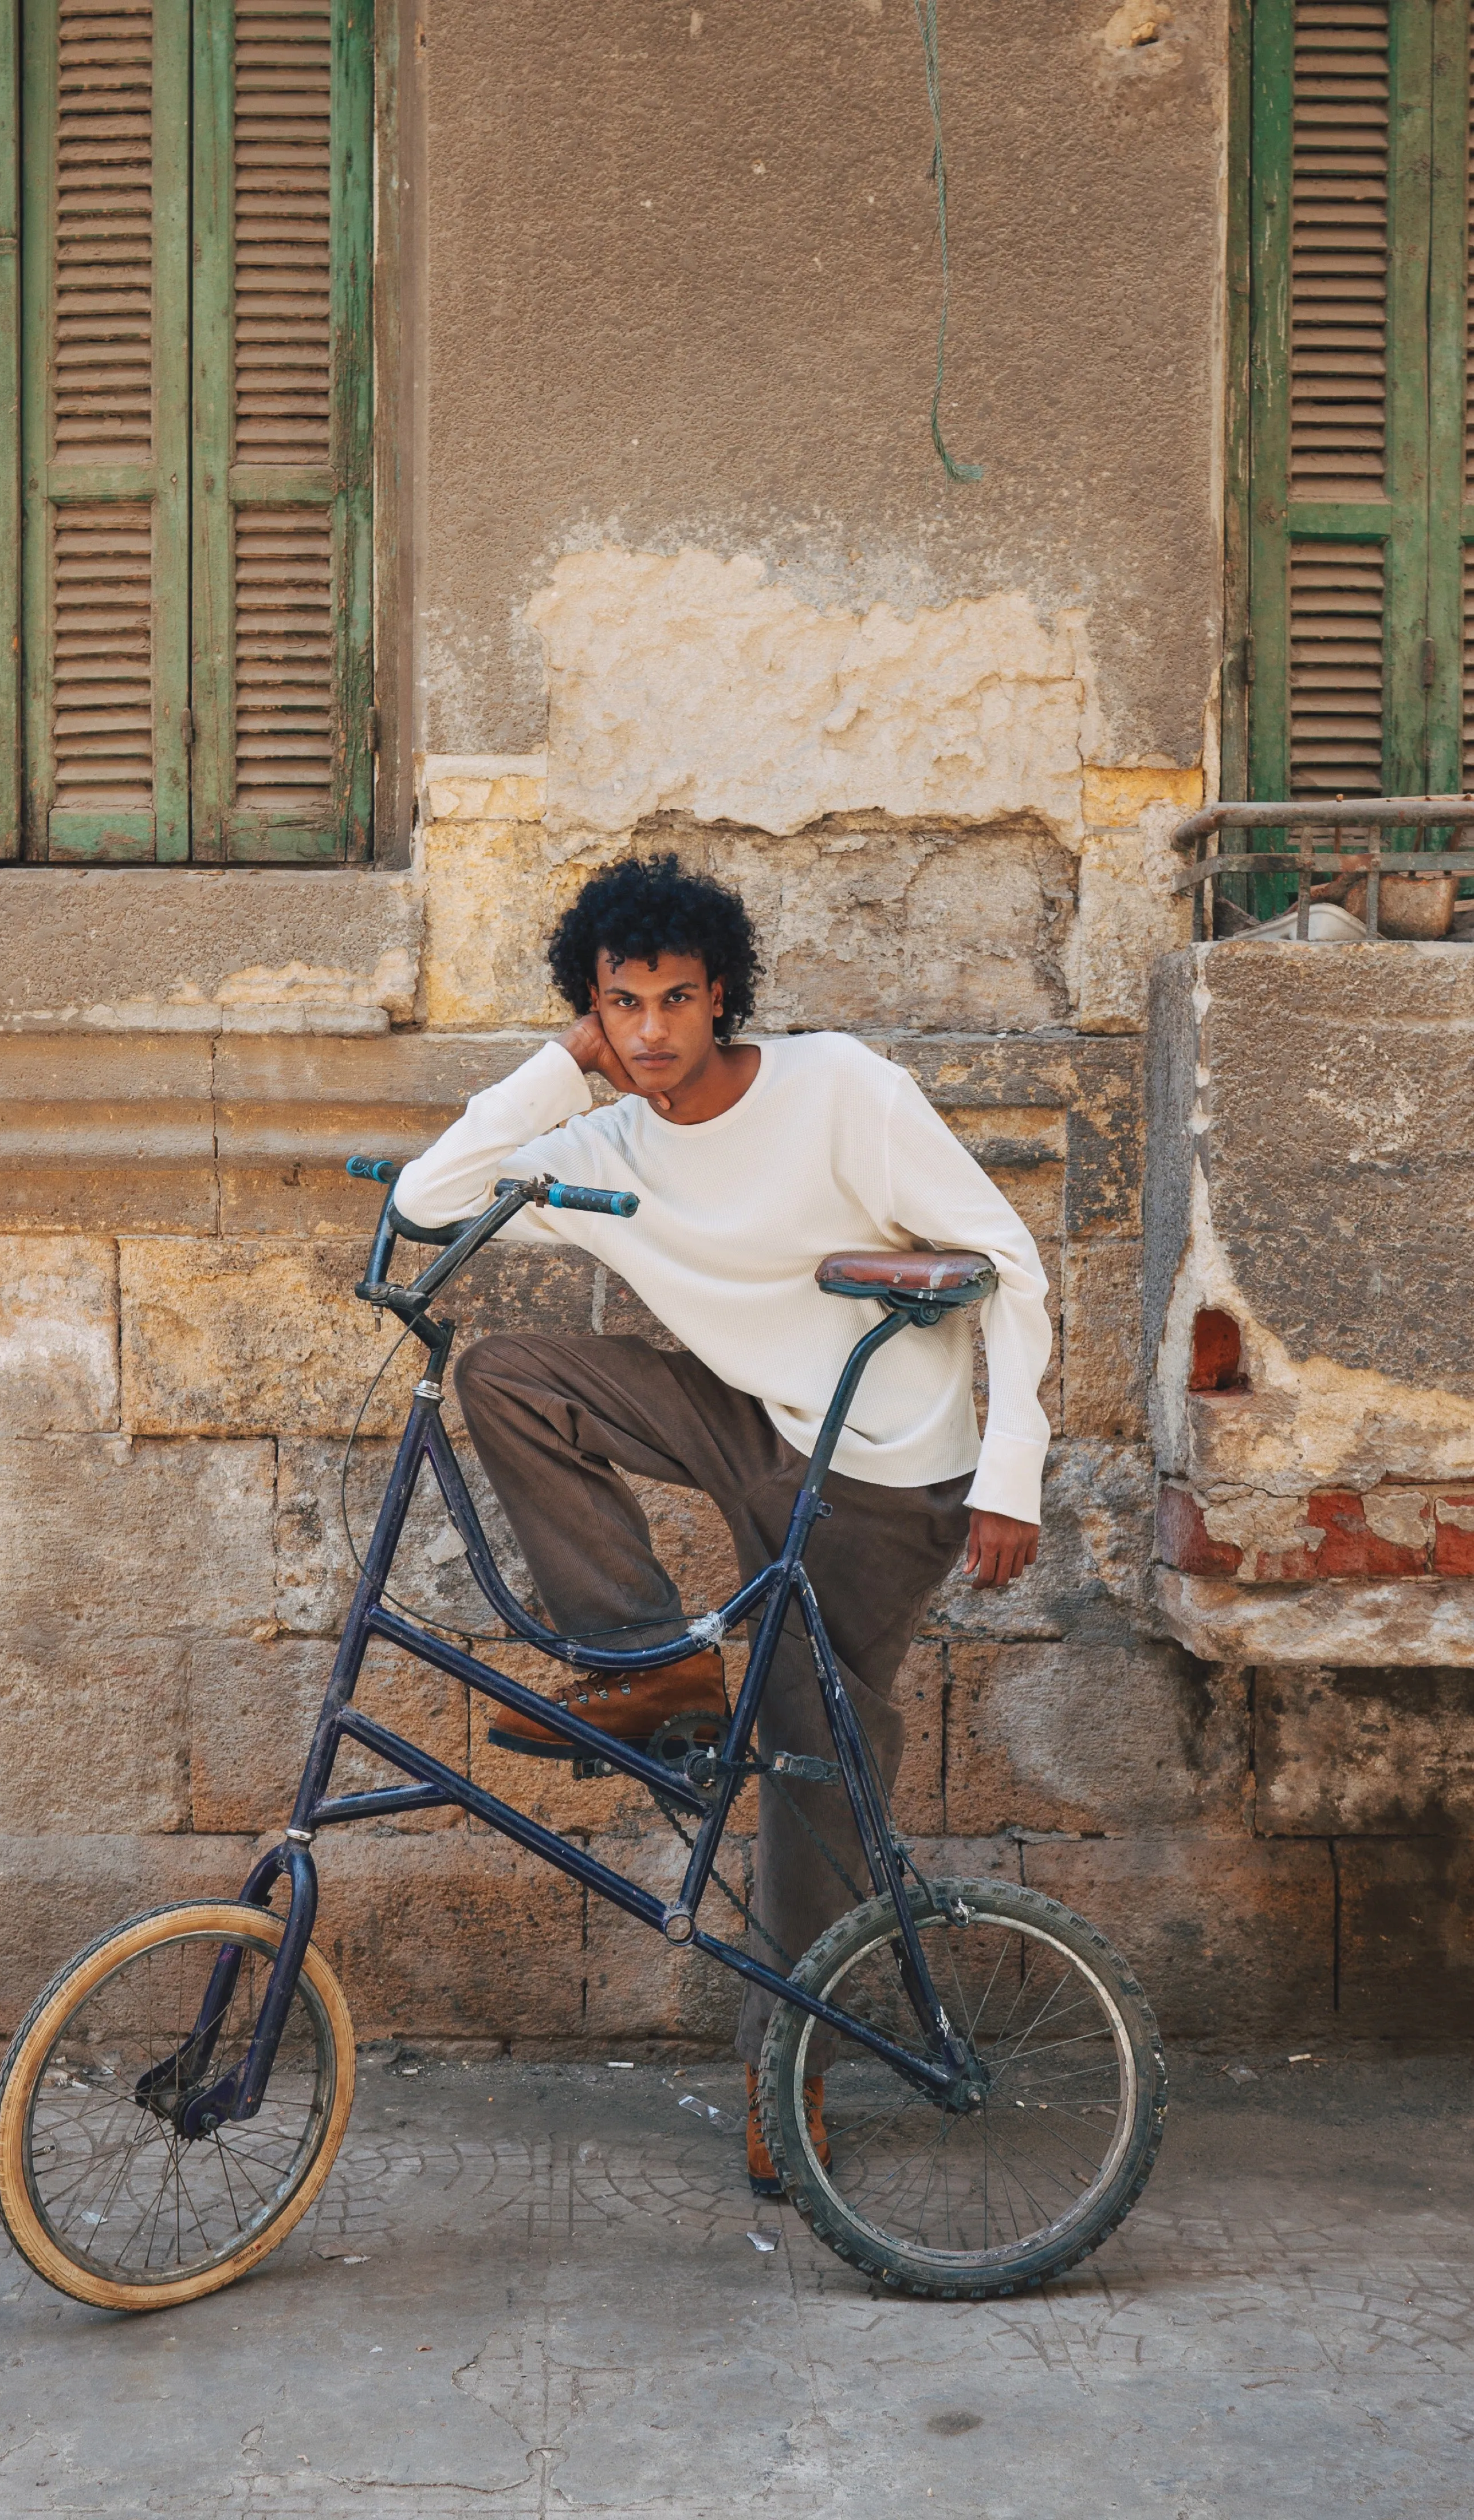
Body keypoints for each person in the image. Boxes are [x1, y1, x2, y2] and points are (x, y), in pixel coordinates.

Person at [392, 853, 1048, 2192]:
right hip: (748, 1425)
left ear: (721, 999)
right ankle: (651, 1659)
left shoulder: (842, 1093)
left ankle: (787, 2070)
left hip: (877, 1470)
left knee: (811, 1758)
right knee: (509, 1373)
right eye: (619, 1004)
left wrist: (1010, 1473)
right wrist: (555, 1066)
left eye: (674, 1002)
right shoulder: (602, 1131)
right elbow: (424, 1206)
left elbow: (1007, 1259)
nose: (647, 1032)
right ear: (593, 1005)